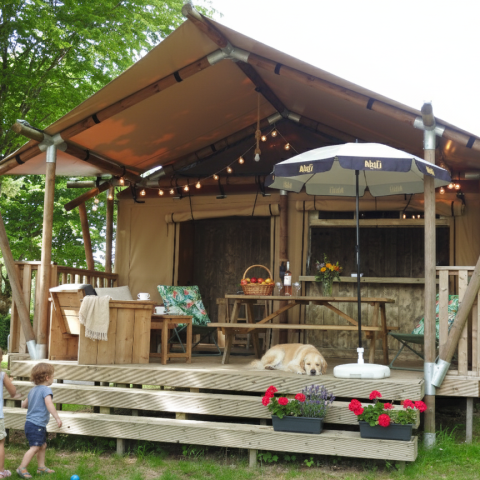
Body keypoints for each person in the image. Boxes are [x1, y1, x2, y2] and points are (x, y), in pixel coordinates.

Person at [16, 363, 62, 479]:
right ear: (47, 377)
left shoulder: (32, 390)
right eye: (53, 375)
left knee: (42, 445)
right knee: (35, 447)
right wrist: (57, 417)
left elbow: (24, 405)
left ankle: (41, 467)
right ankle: (22, 467)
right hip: (37, 425)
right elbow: (49, 404)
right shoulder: (46, 390)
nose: (53, 378)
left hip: (30, 424)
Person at [0, 347, 22, 478]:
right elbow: (13, 392)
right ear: (0, 359)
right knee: (0, 442)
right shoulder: (2, 375)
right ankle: (0, 471)